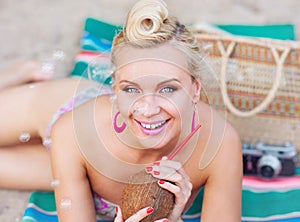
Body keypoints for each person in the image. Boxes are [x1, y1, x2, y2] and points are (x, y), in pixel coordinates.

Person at [0, 0, 242, 221]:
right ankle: (24, 72)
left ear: (195, 89)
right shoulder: (71, 133)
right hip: (58, 111)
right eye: (131, 89)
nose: (148, 110)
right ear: (115, 88)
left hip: (75, 166)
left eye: (168, 89)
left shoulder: (220, 145)